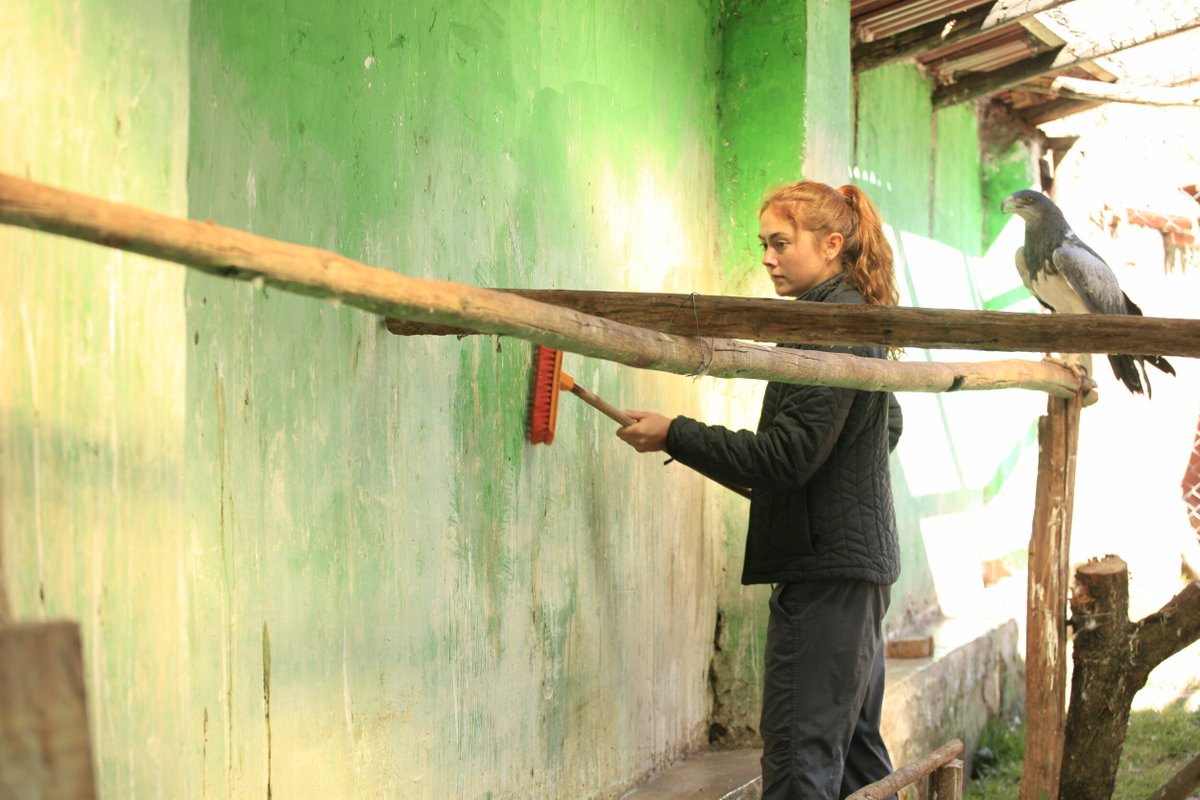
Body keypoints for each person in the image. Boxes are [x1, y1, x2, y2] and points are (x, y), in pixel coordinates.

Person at [616, 179, 903, 799]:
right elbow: (885, 425)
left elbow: (788, 455)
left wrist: (676, 433)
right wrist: (816, 488)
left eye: (780, 243)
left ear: (831, 245)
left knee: (803, 762)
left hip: (828, 574)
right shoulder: (843, 317)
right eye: (762, 244)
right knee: (851, 761)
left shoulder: (831, 324)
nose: (767, 257)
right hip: (849, 569)